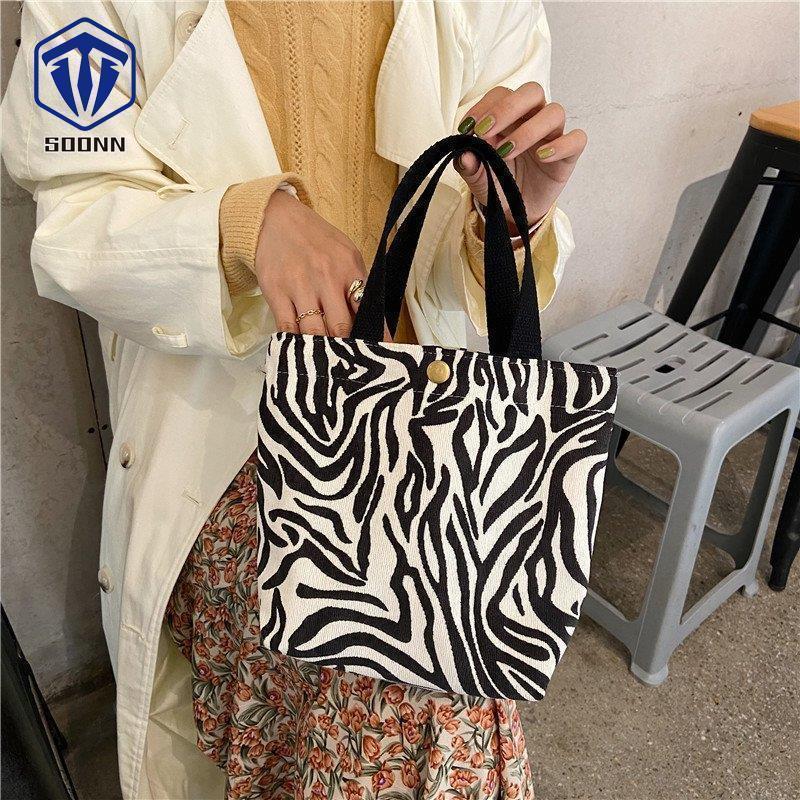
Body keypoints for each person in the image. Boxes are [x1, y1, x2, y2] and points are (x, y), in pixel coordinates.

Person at [2, 2, 585, 797]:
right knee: (406, 687)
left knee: (443, 665)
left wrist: (508, 225)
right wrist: (245, 225)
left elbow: (464, 275)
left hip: (430, 414)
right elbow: (74, 219)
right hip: (231, 431)